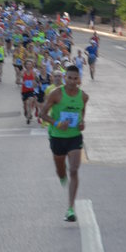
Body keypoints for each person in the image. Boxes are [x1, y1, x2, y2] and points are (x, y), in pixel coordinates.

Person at [40, 65, 89, 222]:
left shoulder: (83, 97)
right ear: (64, 78)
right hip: (57, 136)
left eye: (75, 78)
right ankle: (62, 174)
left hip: (74, 137)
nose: (72, 81)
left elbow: (82, 114)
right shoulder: (56, 94)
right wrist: (57, 124)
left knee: (74, 170)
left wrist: (82, 124)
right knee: (61, 170)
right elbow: (42, 114)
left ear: (79, 80)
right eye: (69, 78)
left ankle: (70, 208)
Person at [21, 59, 37, 123]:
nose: (28, 65)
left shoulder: (34, 73)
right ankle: (26, 111)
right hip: (24, 90)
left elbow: (36, 82)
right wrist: (22, 83)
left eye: (30, 64)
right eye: (27, 64)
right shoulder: (23, 72)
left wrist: (35, 84)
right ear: (25, 65)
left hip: (31, 90)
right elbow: (18, 81)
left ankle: (29, 116)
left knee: (29, 102)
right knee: (25, 105)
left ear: (32, 65)